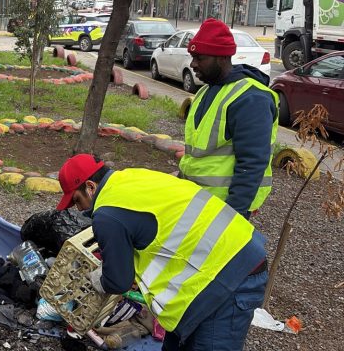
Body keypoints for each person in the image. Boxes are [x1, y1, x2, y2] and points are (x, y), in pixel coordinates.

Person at [56, 154, 268, 351]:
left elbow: (118, 281)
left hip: (231, 276)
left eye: (77, 200)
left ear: (91, 187)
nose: (79, 209)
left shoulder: (107, 214)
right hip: (230, 256)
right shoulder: (131, 177)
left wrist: (100, 279)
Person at [179, 18, 278, 219]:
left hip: (224, 207)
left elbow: (251, 163)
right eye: (192, 57)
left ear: (222, 58)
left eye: (200, 58)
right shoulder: (206, 91)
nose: (193, 64)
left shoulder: (251, 98)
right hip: (196, 199)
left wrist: (233, 216)